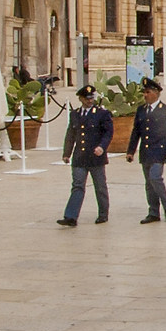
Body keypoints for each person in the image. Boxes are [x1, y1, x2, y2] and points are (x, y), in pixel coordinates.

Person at [125, 77, 166, 223]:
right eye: (144, 92)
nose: (145, 95)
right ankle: (153, 212)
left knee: (156, 178)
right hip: (146, 152)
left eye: (147, 92)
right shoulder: (141, 110)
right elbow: (136, 132)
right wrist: (131, 151)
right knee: (149, 183)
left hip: (159, 151)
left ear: (156, 93)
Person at [58, 84, 113, 226]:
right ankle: (71, 216)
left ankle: (103, 213)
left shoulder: (101, 114)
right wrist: (66, 153)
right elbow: (70, 134)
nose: (90, 101)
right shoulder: (75, 114)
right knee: (77, 185)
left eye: (91, 98)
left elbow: (108, 133)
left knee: (100, 186)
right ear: (81, 99)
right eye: (87, 98)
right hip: (80, 156)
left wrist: (102, 147)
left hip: (95, 157)